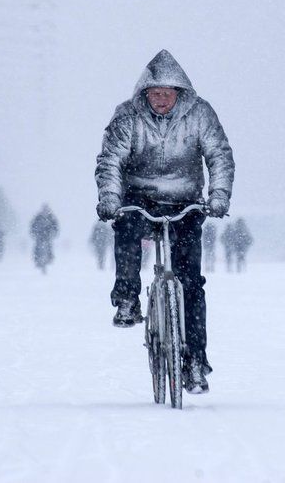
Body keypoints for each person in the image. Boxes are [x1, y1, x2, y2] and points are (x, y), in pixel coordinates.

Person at [95, 50, 234, 394]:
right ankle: (127, 299)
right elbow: (110, 159)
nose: (159, 99)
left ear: (179, 93)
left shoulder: (200, 114)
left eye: (166, 93)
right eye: (153, 93)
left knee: (192, 283)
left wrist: (218, 196)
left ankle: (195, 361)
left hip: (186, 202)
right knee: (126, 230)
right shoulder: (127, 117)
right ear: (144, 93)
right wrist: (110, 199)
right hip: (139, 199)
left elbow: (219, 154)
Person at [30, 204, 59, 273]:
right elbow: (33, 226)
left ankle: (49, 258)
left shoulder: (51, 217)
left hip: (47, 236)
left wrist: (54, 232)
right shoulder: (38, 217)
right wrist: (34, 232)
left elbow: (55, 226)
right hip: (39, 236)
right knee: (37, 248)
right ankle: (37, 260)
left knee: (49, 247)